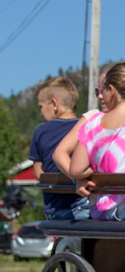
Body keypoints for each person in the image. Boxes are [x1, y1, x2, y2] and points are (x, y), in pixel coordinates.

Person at [54, 62, 125, 220]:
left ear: (111, 90)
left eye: (102, 90)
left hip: (101, 212)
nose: (100, 95)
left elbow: (76, 169)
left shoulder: (92, 123)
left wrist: (97, 168)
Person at [29, 77, 88, 220]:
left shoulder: (41, 131)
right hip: (84, 204)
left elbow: (39, 174)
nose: (40, 113)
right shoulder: (88, 126)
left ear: (54, 104)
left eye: (41, 107)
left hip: (55, 208)